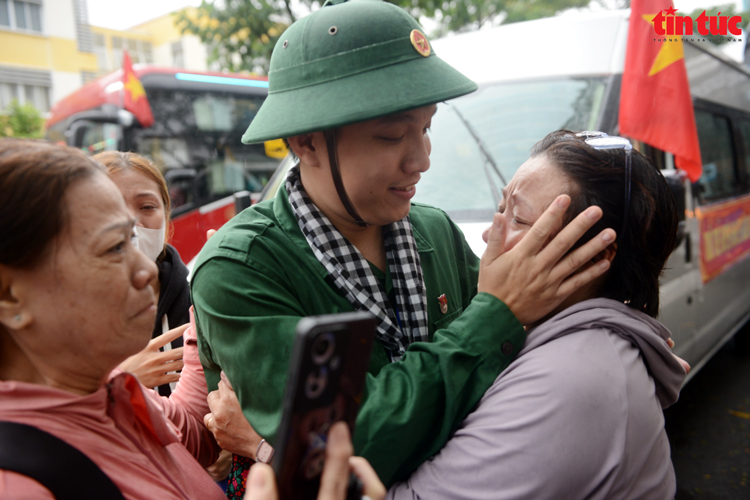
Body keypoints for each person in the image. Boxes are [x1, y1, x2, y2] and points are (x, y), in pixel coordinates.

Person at [190, 0, 616, 495]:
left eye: (427, 127)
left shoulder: (434, 232)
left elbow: (526, 340)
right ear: (305, 144)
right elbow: (347, 450)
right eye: (393, 135)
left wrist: (611, 333)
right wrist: (495, 313)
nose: (422, 159)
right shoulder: (241, 269)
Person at [0, 138, 385, 500]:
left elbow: (192, 432)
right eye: (115, 246)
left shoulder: (113, 392)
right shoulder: (20, 483)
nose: (146, 271)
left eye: (143, 217)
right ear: (9, 294)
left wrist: (212, 302)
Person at [385, 131, 688, 500]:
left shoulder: (569, 379)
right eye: (500, 211)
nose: (489, 236)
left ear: (592, 258)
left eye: (520, 220)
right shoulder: (565, 343)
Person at [95, 151, 190, 397]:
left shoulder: (199, 304)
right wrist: (121, 383)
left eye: (147, 207)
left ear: (166, 213)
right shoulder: (59, 317)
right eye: (110, 206)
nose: (131, 222)